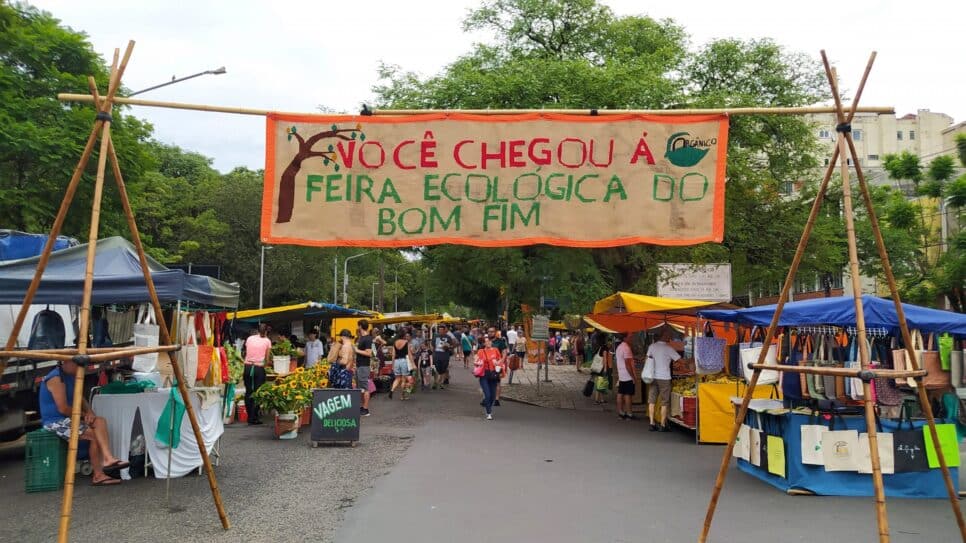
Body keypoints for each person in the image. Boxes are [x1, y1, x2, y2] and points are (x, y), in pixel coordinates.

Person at [39, 358, 128, 486]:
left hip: (70, 419)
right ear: (67, 362)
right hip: (55, 422)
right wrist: (84, 415)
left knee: (99, 421)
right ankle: (98, 474)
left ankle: (108, 458)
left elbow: (80, 398)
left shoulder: (72, 376)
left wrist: (90, 412)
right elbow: (63, 408)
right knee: (94, 434)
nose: (82, 368)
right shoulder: (56, 378)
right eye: (78, 364)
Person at [647, 328, 681, 432]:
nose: (670, 337)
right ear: (665, 336)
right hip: (665, 377)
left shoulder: (652, 346)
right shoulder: (668, 348)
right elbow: (679, 360)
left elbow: (648, 359)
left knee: (652, 400)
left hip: (653, 377)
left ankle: (652, 423)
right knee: (664, 401)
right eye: (669, 335)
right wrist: (690, 361)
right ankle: (662, 424)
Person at [243, 324, 272, 425]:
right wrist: (267, 364)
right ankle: (254, 417)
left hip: (247, 367)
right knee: (258, 392)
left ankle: (249, 417)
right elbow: (267, 359)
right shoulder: (267, 341)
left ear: (258, 330)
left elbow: (247, 350)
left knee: (248, 391)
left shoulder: (250, 338)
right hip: (258, 368)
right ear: (266, 332)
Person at [476, 335, 504, 420]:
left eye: (489, 341)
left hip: (493, 374)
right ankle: (489, 412)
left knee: (493, 395)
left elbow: (500, 360)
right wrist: (479, 363)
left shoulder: (495, 350)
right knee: (487, 394)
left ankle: (488, 405)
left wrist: (498, 363)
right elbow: (476, 361)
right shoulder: (481, 351)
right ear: (484, 343)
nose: (488, 343)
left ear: (491, 342)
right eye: (486, 342)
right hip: (484, 374)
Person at [615, 333, 639, 421]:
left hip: (621, 374)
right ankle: (629, 413)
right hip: (627, 375)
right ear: (625, 338)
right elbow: (627, 364)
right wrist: (633, 377)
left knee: (620, 393)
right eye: (630, 337)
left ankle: (621, 412)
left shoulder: (619, 347)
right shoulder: (626, 348)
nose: (632, 338)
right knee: (628, 395)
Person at [353, 320, 374, 416]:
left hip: (364, 366)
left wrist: (356, 350)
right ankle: (362, 407)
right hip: (359, 365)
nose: (357, 327)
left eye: (358, 325)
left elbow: (369, 353)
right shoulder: (361, 338)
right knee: (360, 388)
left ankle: (366, 409)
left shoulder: (368, 338)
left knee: (365, 388)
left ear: (360, 326)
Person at [390, 329, 413, 399]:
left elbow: (393, 355)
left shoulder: (395, 342)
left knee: (397, 378)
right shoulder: (406, 342)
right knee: (403, 379)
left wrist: (392, 365)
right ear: (403, 335)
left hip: (396, 361)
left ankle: (392, 390)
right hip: (404, 361)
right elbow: (409, 354)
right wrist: (412, 364)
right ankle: (402, 396)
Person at [488, 326, 508, 405]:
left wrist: (501, 362)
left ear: (495, 332)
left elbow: (504, 353)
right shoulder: (486, 341)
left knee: (497, 382)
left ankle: (496, 400)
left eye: (492, 331)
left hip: (497, 365)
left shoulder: (500, 342)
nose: (490, 333)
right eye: (489, 331)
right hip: (487, 365)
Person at [433, 324, 456, 390]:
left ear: (444, 330)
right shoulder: (435, 336)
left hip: (445, 356)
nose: (440, 331)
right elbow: (432, 345)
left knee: (443, 369)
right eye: (439, 330)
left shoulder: (448, 337)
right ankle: (436, 382)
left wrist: (448, 346)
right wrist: (432, 353)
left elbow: (453, 345)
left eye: (441, 330)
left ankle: (441, 383)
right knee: (436, 369)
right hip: (437, 355)